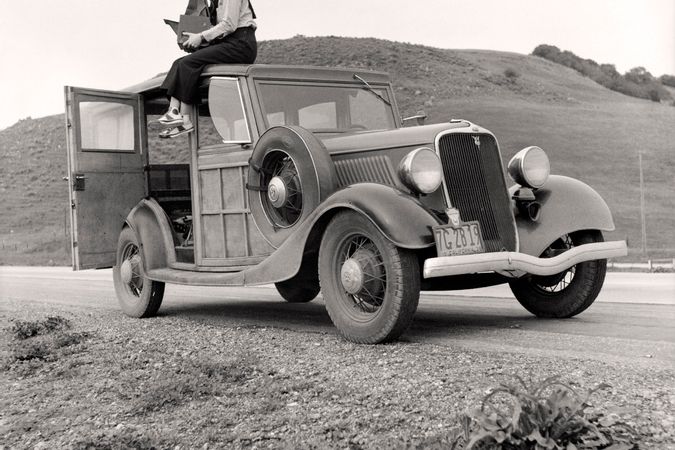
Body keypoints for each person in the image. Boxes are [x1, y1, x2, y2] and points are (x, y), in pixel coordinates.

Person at [158, 0, 257, 139]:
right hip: (228, 42)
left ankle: (182, 118)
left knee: (188, 63)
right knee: (180, 63)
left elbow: (229, 24)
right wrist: (194, 38)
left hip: (241, 44)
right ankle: (176, 113)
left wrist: (201, 36)